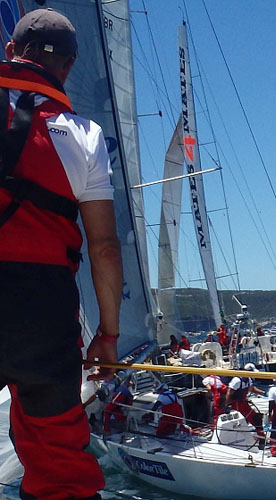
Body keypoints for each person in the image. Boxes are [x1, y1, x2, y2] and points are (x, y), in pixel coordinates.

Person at [0, 9, 123, 498]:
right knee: (59, 467)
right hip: (43, 312)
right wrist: (109, 335)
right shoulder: (87, 138)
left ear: (12, 52)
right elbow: (105, 247)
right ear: (69, 67)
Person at [227, 363, 266, 448]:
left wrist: (264, 392)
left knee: (257, 419)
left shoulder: (248, 380)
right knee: (240, 422)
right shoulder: (237, 381)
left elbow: (252, 389)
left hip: (244, 404)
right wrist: (226, 405)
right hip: (236, 405)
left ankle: (262, 439)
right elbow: (229, 393)